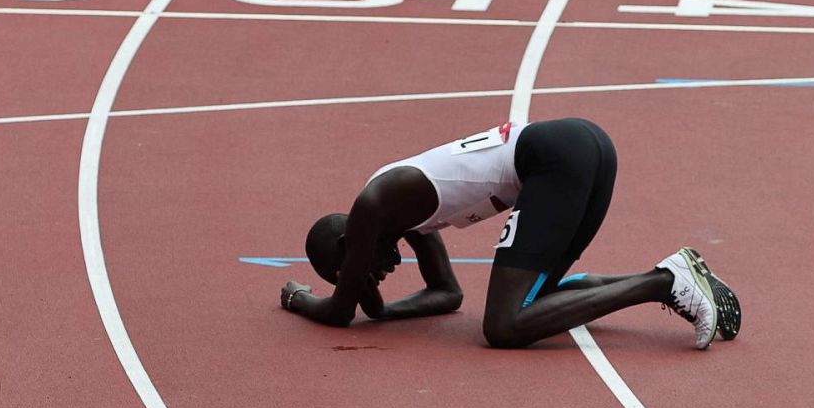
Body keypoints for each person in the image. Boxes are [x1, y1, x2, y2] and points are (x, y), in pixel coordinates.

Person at [280, 118, 740, 349]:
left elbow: (341, 313)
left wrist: (301, 298)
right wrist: (379, 310)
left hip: (556, 159)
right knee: (537, 301)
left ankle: (662, 281)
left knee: (503, 326)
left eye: (347, 270)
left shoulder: (373, 203)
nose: (369, 276)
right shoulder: (403, 215)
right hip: (583, 147)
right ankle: (672, 279)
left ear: (348, 244)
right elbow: (446, 294)